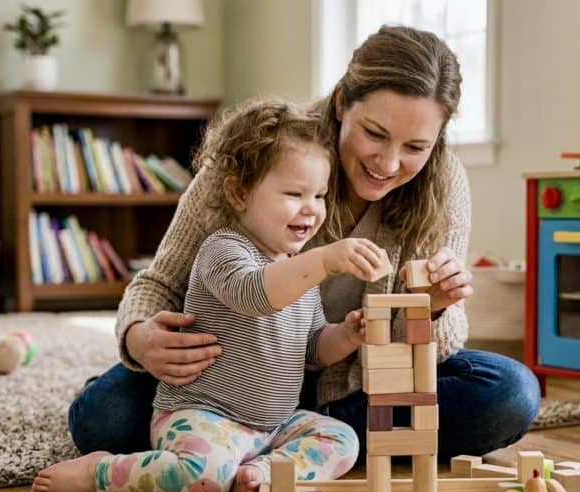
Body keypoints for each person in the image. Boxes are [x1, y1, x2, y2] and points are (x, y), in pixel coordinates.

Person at [68, 24, 540, 463]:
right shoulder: (262, 154)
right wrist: (140, 338)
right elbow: (160, 283)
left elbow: (420, 357)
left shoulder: (443, 185)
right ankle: (299, 443)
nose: (389, 162)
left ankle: (268, 442)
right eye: (374, 134)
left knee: (509, 393)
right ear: (341, 104)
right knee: (103, 418)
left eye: (416, 147)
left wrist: (432, 308)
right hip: (227, 380)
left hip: (353, 386)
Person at [33, 100, 390, 492]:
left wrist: (345, 335)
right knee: (201, 482)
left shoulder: (299, 273)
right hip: (202, 416)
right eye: (294, 193)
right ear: (239, 193)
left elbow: (311, 349)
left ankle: (261, 473)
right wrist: (325, 259)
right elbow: (256, 293)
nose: (311, 208)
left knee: (343, 440)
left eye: (320, 195)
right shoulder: (223, 250)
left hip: (271, 426)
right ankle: (100, 472)